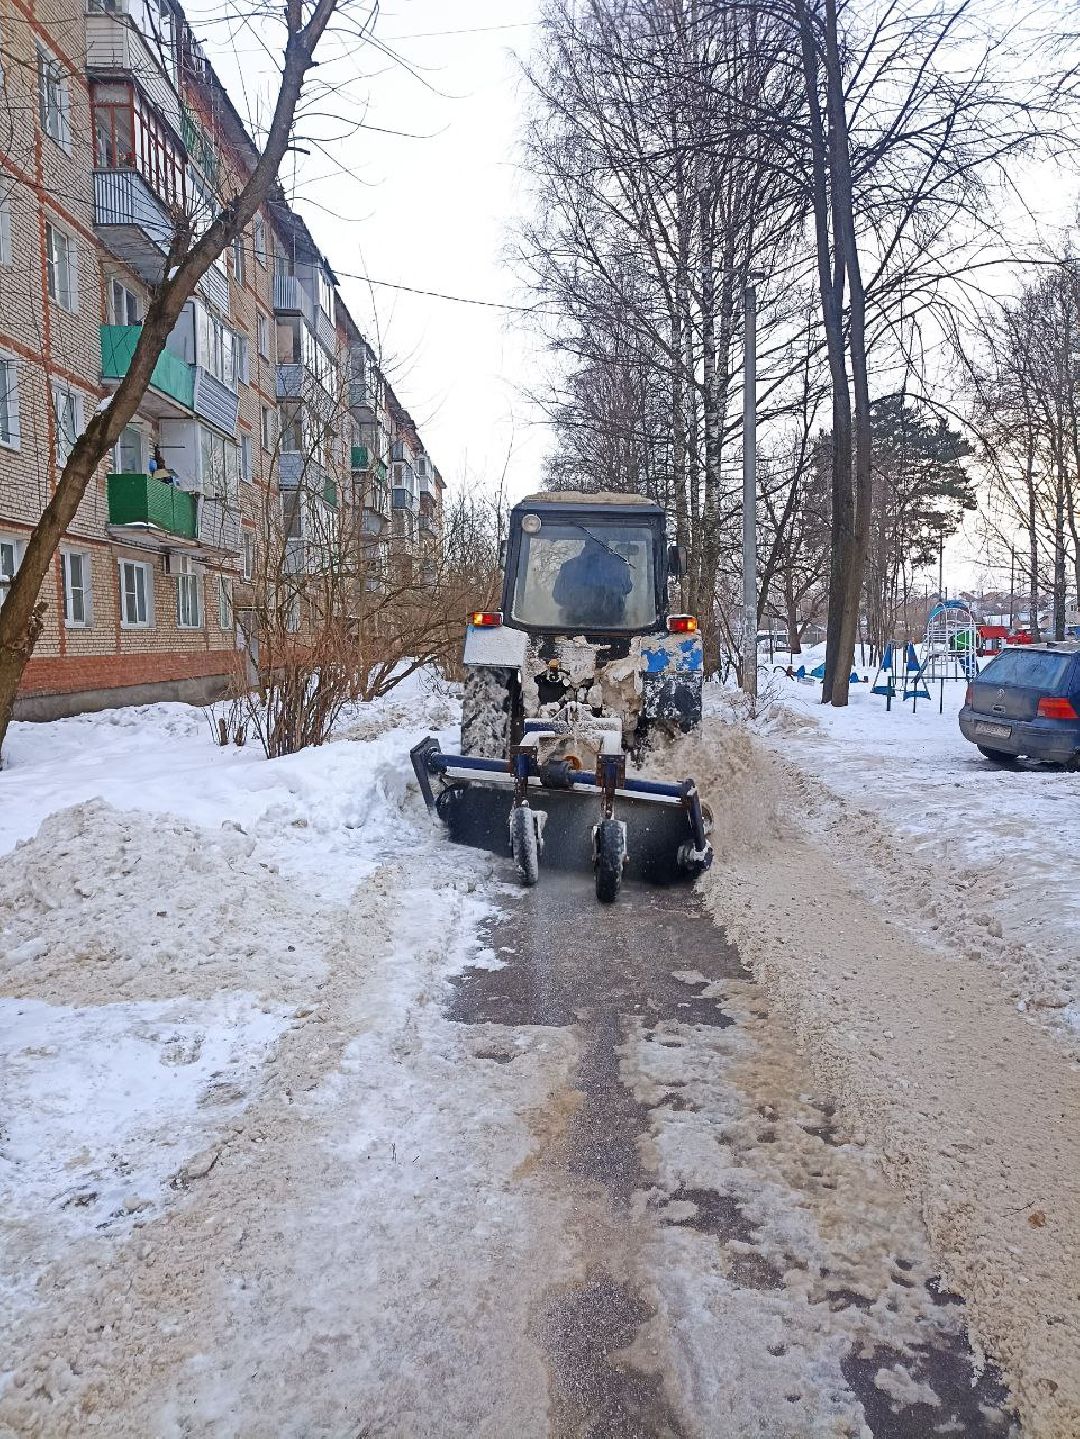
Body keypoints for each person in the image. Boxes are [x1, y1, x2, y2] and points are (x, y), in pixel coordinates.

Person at [552, 533, 634, 629]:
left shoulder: (569, 566)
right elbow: (627, 588)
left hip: (575, 629)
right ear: (606, 545)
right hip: (614, 628)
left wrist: (576, 603)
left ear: (587, 544)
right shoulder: (619, 565)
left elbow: (558, 596)